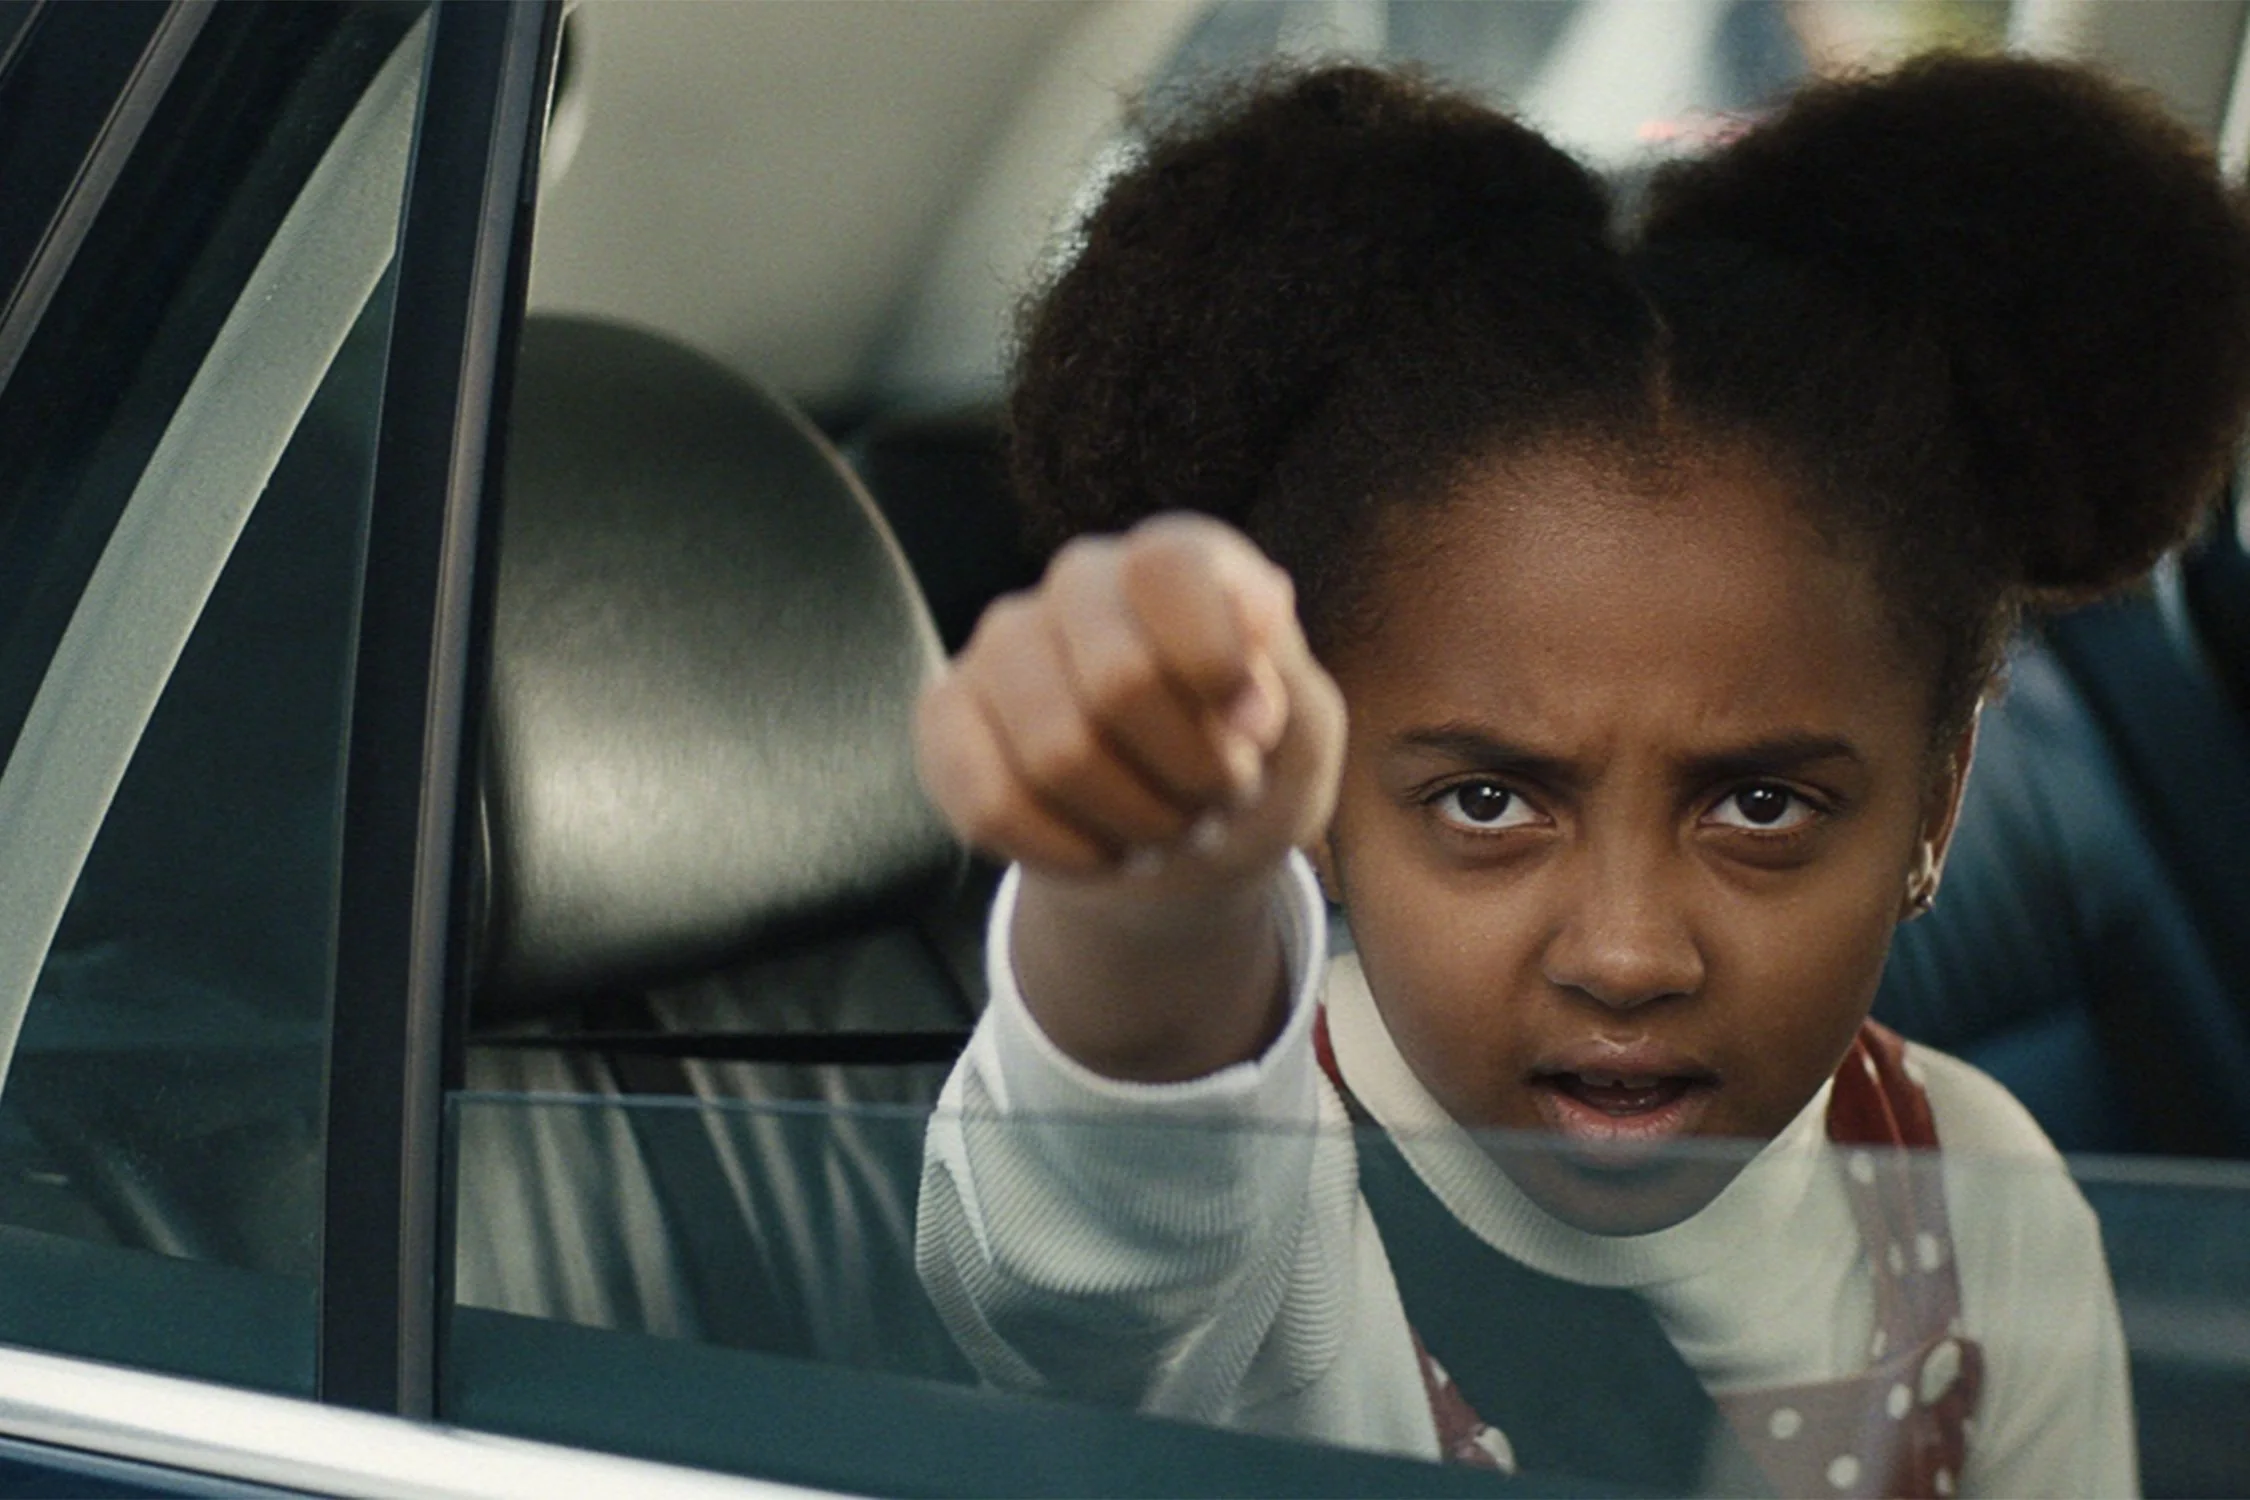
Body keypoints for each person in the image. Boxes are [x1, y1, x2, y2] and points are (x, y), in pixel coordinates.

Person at [911, 55, 2250, 1499]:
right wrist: (1153, 876)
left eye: (1759, 806)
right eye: (1487, 802)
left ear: (1936, 801)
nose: (1626, 955)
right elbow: (1101, 1231)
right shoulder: (1256, 1210)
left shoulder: (1976, 1199)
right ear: (1324, 802)